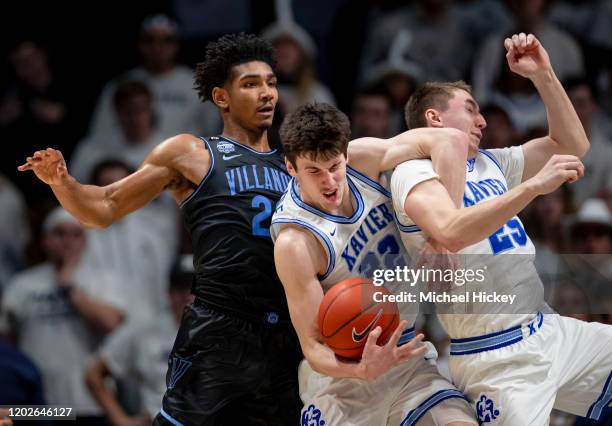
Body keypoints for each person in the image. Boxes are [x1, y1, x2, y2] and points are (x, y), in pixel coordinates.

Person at [18, 33, 302, 426]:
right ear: (221, 97)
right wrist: (62, 182)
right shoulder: (191, 153)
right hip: (219, 328)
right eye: (251, 84)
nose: (267, 93)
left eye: (270, 82)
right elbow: (103, 207)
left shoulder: (297, 165)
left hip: (285, 333)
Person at [391, 33, 612, 424]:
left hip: (547, 328)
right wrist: (534, 186)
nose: (483, 120)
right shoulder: (413, 172)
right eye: (471, 110)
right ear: (434, 119)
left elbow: (573, 144)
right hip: (494, 355)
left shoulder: (492, 163)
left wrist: (543, 74)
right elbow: (450, 231)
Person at [271, 103, 477, 425]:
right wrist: (361, 369)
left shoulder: (363, 161)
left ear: (346, 156)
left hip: (405, 357)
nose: (329, 181)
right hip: (342, 383)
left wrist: (442, 236)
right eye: (314, 171)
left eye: (334, 166)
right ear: (291, 167)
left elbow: (449, 139)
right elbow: (313, 347)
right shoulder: (296, 243)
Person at [85, 266, 195, 426]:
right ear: (169, 292)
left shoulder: (222, 331)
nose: (186, 295)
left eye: (192, 288)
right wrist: (120, 420)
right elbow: (93, 374)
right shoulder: (144, 329)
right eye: (180, 288)